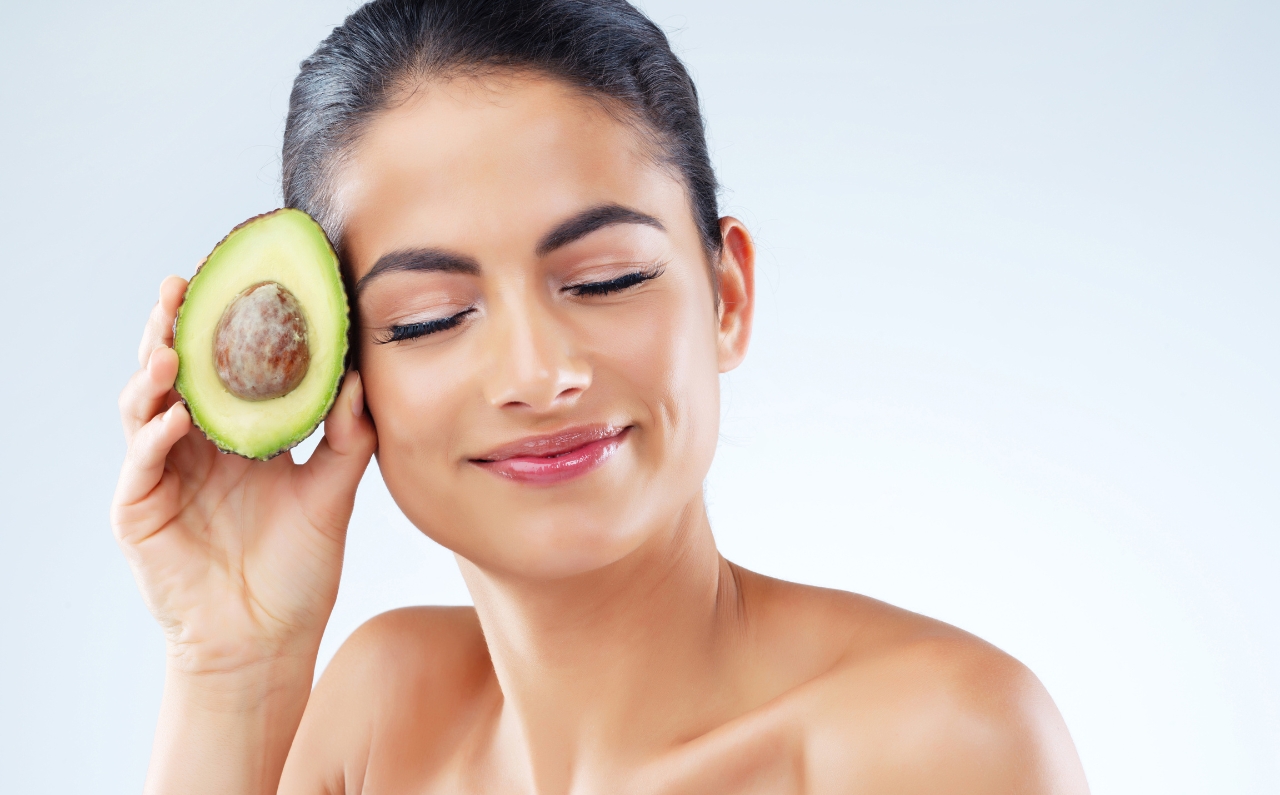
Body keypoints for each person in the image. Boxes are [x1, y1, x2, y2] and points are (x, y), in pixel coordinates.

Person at [112, 1, 1090, 792]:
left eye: (604, 279)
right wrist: (233, 663)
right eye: (428, 317)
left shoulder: (931, 744)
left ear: (728, 298)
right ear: (343, 376)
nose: (537, 375)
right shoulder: (380, 713)